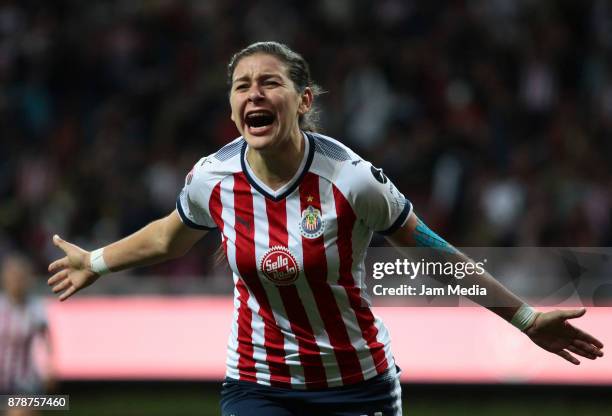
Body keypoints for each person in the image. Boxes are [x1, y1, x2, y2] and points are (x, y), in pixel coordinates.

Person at [47, 41, 604, 416]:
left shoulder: (352, 180)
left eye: (270, 83)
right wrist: (95, 261)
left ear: (303, 100)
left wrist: (525, 317)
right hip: (257, 384)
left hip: (356, 384)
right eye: (242, 86)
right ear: (232, 106)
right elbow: (170, 236)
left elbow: (432, 252)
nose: (254, 94)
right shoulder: (211, 178)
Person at [1, 253, 55, 416]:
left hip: (24, 381)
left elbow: (47, 339)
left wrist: (50, 368)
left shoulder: (35, 307)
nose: (16, 282)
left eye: (20, 277)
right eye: (12, 276)